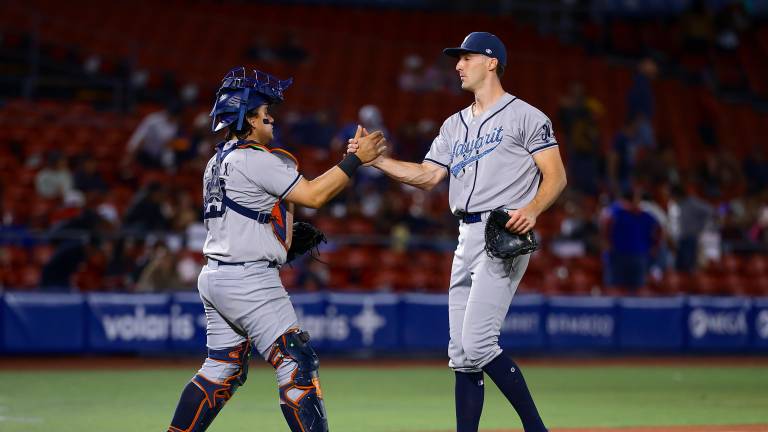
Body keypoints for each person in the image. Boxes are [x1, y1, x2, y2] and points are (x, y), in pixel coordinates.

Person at [348, 32, 566, 432]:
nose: (458, 65)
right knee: (462, 355)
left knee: (479, 344)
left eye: (466, 57)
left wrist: (533, 209)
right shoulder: (454, 125)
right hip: (466, 234)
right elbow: (428, 175)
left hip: (503, 233)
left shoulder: (527, 116)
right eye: (458, 59)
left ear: (491, 62)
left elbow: (556, 176)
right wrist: (375, 162)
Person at [166, 67, 385, 432]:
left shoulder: (216, 161)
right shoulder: (254, 158)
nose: (272, 117)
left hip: (217, 276)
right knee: (296, 361)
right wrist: (355, 160)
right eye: (265, 111)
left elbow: (247, 216)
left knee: (221, 367)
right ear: (248, 118)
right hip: (249, 279)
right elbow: (314, 195)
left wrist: (277, 243)